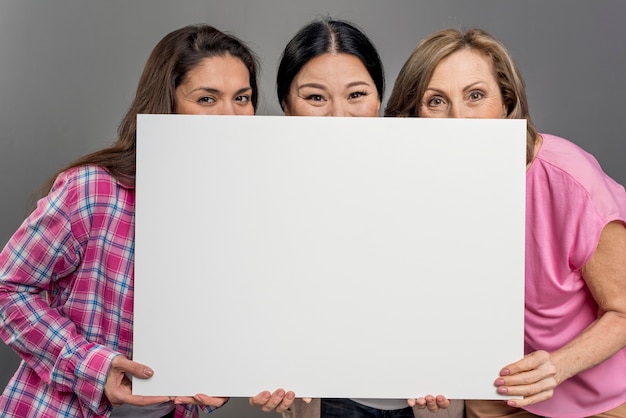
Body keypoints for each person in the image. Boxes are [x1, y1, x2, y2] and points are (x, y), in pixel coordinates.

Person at [0, 23, 289, 418]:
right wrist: (91, 367)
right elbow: (8, 290)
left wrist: (224, 376)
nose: (231, 115)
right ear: (166, 104)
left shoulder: (245, 216)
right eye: (207, 98)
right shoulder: (93, 190)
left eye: (243, 97)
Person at [384, 27, 626, 418]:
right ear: (413, 113)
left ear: (507, 102)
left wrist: (557, 366)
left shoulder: (570, 179)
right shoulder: (420, 188)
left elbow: (623, 309)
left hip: (595, 399)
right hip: (494, 394)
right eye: (435, 102)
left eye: (476, 96)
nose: (458, 119)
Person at [249, 17, 463, 418]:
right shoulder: (258, 186)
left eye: (356, 95)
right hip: (322, 396)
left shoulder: (430, 167)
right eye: (315, 98)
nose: (337, 115)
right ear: (285, 104)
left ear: (378, 97)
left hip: (428, 395)